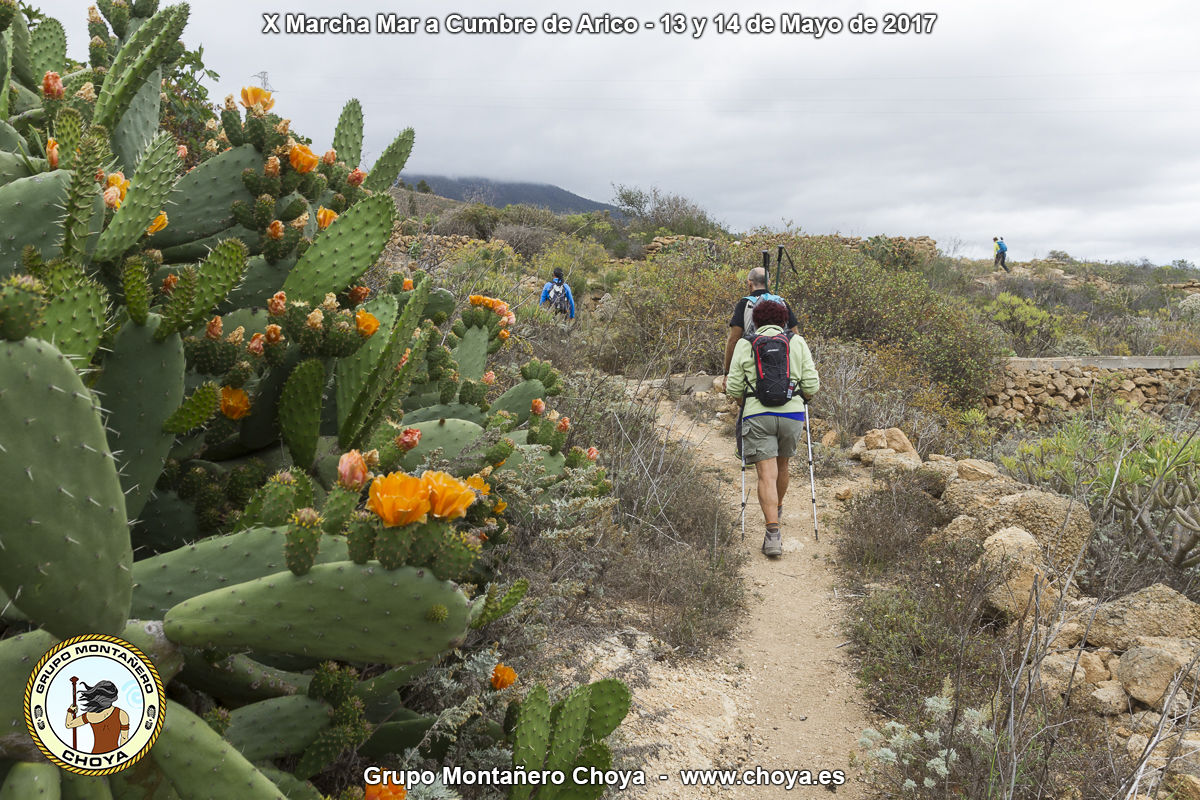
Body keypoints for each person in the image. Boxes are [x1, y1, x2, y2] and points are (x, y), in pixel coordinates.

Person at [724, 299, 819, 558]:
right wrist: (801, 398)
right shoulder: (797, 342)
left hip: (757, 414)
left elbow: (732, 387)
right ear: (784, 321)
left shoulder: (746, 344)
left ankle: (773, 534)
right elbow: (811, 384)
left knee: (766, 474)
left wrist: (747, 401)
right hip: (792, 414)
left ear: (756, 321)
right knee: (783, 466)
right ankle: (777, 507)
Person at [722, 266, 799, 377]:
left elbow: (733, 340)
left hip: (753, 370)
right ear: (769, 282)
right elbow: (795, 335)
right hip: (783, 370)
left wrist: (728, 372)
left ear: (749, 283)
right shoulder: (782, 303)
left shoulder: (744, 304)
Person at [65, 680, 130, 754]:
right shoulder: (122, 714)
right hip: (114, 756)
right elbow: (124, 739)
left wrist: (70, 711)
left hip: (95, 755)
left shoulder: (90, 715)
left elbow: (69, 724)